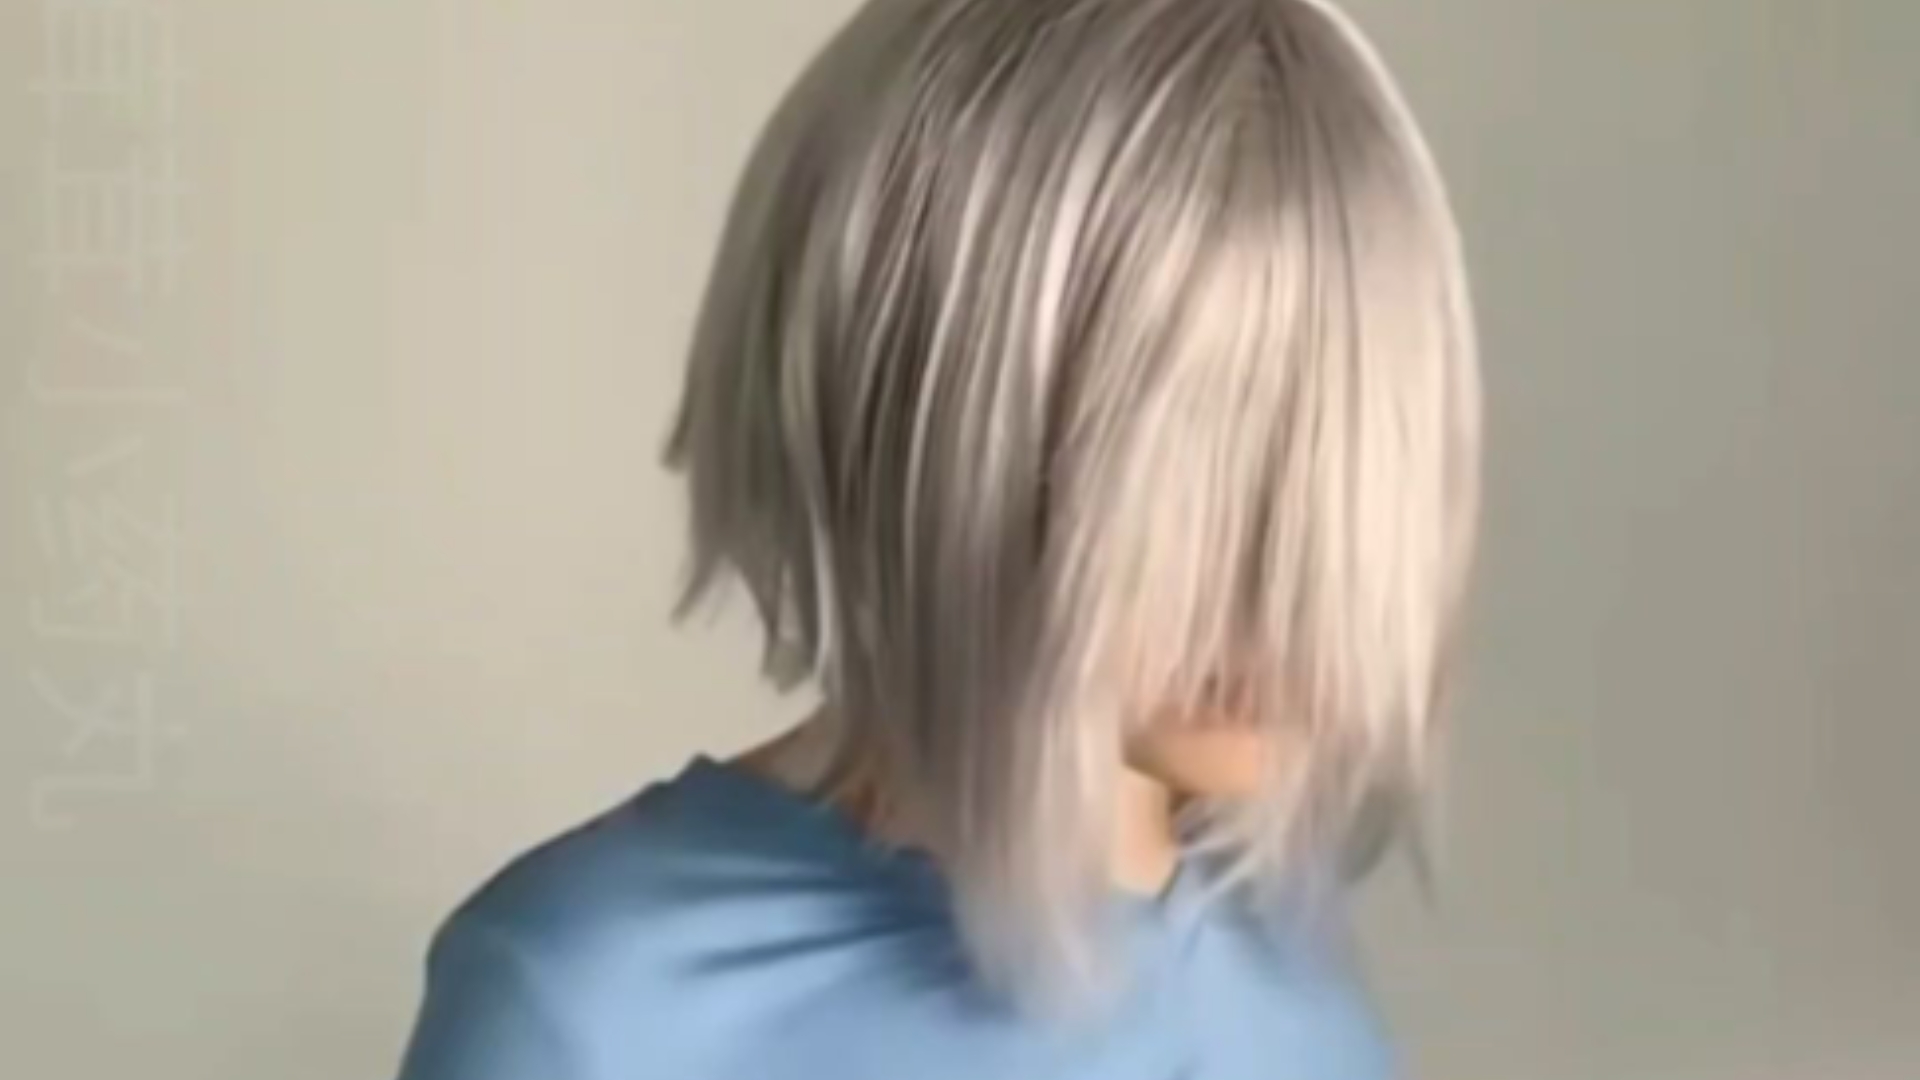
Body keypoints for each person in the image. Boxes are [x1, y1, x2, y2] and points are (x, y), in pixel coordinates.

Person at [393, 0, 1481, 1076]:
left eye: (1329, 469)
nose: (1280, 586)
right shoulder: (591, 1007)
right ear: (920, 413)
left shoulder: (1292, 974)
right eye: (1190, 484)